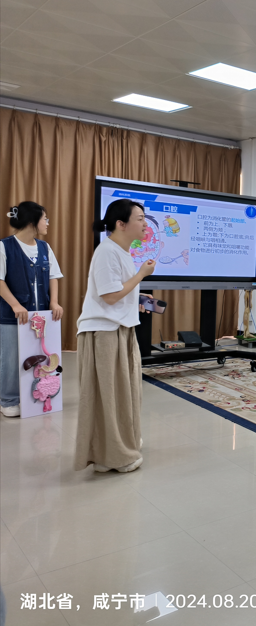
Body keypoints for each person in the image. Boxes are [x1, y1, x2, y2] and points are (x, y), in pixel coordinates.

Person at [75, 199, 155, 473]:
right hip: (104, 333)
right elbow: (109, 296)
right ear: (121, 224)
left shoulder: (121, 251)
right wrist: (141, 275)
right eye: (140, 218)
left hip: (119, 330)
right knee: (109, 398)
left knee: (121, 394)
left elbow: (116, 291)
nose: (145, 224)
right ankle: (112, 456)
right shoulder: (107, 251)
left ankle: (116, 449)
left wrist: (137, 297)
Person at [0, 202, 63, 418]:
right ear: (31, 221)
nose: (47, 223)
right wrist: (15, 304)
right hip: (12, 316)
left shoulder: (45, 248)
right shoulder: (4, 246)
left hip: (41, 316)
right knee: (10, 359)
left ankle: (34, 396)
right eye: (45, 218)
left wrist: (54, 302)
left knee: (38, 357)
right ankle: (8, 400)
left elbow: (54, 276)